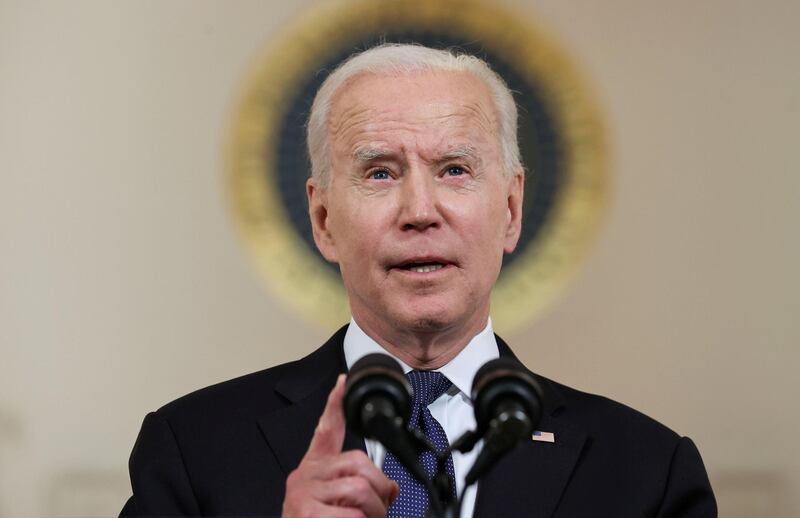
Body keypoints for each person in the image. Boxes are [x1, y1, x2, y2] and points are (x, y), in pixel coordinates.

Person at [120, 44, 716, 517]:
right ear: (324, 220)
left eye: (455, 169)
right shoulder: (192, 450)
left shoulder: (647, 471)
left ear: (510, 210)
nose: (420, 210)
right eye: (380, 172)